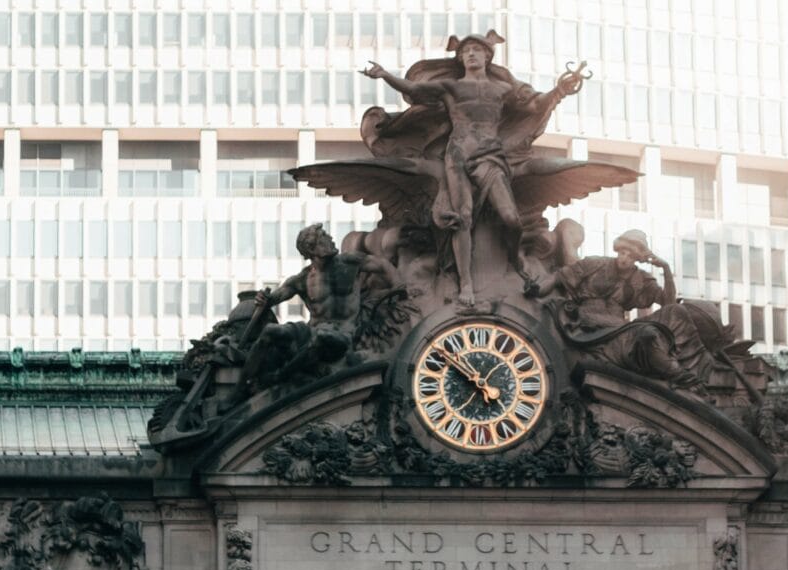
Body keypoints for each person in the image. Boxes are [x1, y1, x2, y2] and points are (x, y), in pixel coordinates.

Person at [362, 31, 584, 305]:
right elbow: (415, 90)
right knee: (462, 218)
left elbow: (535, 104)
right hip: (458, 155)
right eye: (465, 51)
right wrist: (385, 75)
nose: (470, 54)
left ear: (487, 56)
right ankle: (465, 284)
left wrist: (560, 90)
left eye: (476, 50)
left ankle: (515, 257)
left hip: (491, 155)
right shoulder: (451, 87)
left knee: (511, 218)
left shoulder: (502, 89)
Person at [228, 224, 401, 402]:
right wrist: (264, 299)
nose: (331, 239)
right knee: (271, 330)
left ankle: (279, 377)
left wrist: (400, 288)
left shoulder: (349, 262)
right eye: (324, 237)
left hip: (343, 334)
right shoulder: (303, 279)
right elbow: (276, 297)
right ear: (312, 248)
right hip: (312, 332)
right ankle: (239, 390)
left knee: (322, 337)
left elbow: (383, 265)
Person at [527, 230, 715, 393]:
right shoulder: (595, 264)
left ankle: (692, 369)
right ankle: (680, 375)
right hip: (589, 323)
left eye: (630, 256)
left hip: (620, 327)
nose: (624, 258)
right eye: (622, 253)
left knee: (675, 313)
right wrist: (536, 289)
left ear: (637, 259)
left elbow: (668, 303)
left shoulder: (641, 279)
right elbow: (557, 278)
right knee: (646, 333)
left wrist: (666, 269)